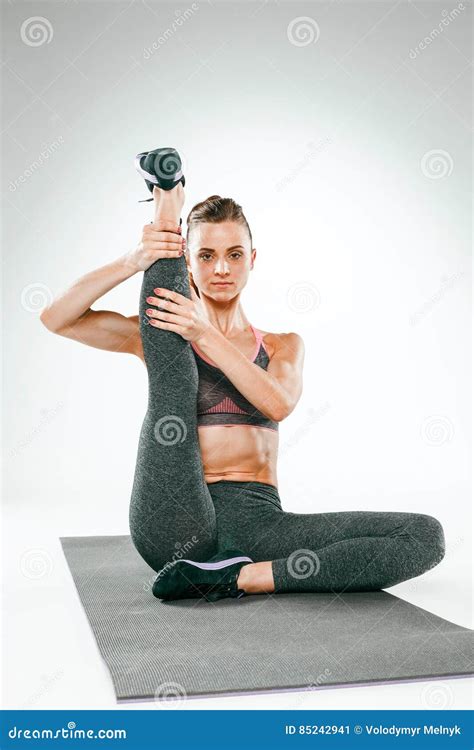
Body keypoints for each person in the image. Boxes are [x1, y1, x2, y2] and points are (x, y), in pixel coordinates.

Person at [40, 180, 446, 603]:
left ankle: (237, 577)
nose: (221, 269)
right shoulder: (159, 338)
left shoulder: (281, 345)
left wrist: (206, 333)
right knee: (169, 348)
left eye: (234, 255)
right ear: (189, 265)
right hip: (172, 513)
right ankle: (166, 213)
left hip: (257, 527)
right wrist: (133, 260)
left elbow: (279, 403)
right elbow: (57, 318)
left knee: (424, 535)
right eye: (206, 256)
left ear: (251, 260)